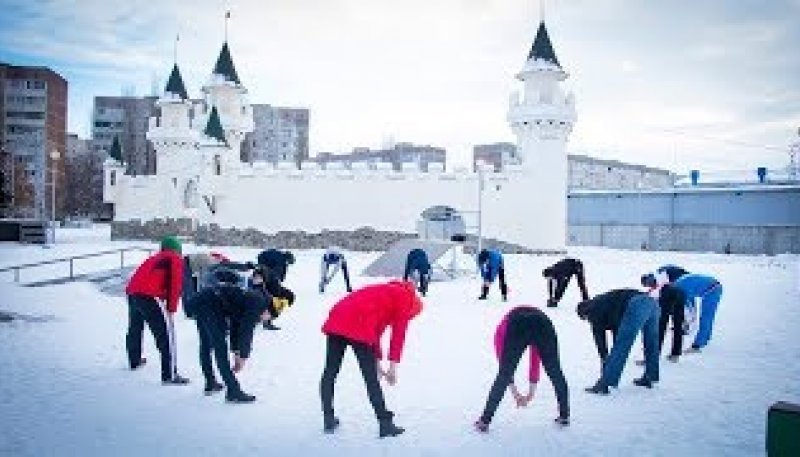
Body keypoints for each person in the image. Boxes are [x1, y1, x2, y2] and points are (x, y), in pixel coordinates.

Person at [319, 280, 423, 438]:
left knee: (330, 370)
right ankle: (385, 424)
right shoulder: (405, 300)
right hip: (358, 322)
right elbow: (398, 336)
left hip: (339, 314)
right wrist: (393, 367)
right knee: (371, 379)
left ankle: (328, 418)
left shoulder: (388, 292)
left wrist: (378, 364)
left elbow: (376, 333)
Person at [474, 306, 570, 432]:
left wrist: (526, 393)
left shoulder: (500, 332)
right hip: (543, 323)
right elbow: (535, 358)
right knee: (555, 371)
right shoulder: (504, 328)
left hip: (517, 323)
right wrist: (523, 393)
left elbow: (505, 370)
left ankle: (484, 421)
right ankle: (564, 415)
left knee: (504, 374)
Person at [187, 277, 275, 403]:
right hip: (209, 304)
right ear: (268, 310)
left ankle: (211, 383)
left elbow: (236, 326)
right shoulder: (256, 305)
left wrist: (236, 352)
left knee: (206, 344)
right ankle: (233, 391)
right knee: (219, 347)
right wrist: (243, 357)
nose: (265, 320)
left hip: (203, 301)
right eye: (268, 318)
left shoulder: (254, 301)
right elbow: (246, 332)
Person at [124, 235, 189, 385]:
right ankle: (170, 375)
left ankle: (134, 360)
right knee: (166, 335)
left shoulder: (153, 258)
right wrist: (171, 308)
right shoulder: (174, 258)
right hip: (150, 296)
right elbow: (175, 284)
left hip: (133, 293)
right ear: (177, 249)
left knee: (135, 328)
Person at [577, 288, 660, 394]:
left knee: (621, 346)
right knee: (651, 343)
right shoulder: (603, 302)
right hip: (652, 302)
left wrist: (605, 358)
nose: (588, 321)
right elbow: (617, 327)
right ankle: (650, 376)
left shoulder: (594, 311)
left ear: (585, 313)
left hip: (636, 304)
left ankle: (604, 384)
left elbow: (600, 338)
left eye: (584, 318)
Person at [673, 273, 723, 353]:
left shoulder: (681, 290)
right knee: (707, 317)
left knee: (706, 317)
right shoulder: (677, 285)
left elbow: (691, 308)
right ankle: (706, 338)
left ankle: (697, 345)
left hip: (713, 290)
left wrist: (686, 322)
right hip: (712, 286)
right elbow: (690, 305)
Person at [254, 249, 296, 330]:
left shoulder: (278, 256)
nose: (288, 265)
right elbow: (278, 276)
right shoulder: (281, 262)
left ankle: (264, 318)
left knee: (269, 298)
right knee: (273, 299)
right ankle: (267, 321)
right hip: (267, 280)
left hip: (263, 278)